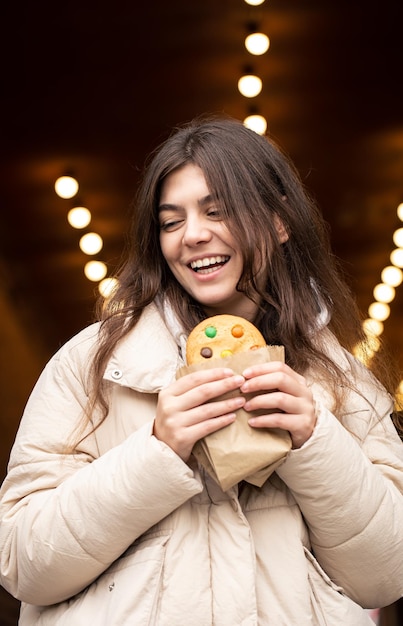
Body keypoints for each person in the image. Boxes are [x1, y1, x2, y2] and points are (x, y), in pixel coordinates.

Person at [1, 115, 403, 626]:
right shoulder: (95, 367)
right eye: (171, 222)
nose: (191, 235)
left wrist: (316, 441)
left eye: (217, 211)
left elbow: (387, 574)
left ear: (279, 222)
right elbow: (20, 561)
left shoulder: (342, 381)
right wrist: (156, 451)